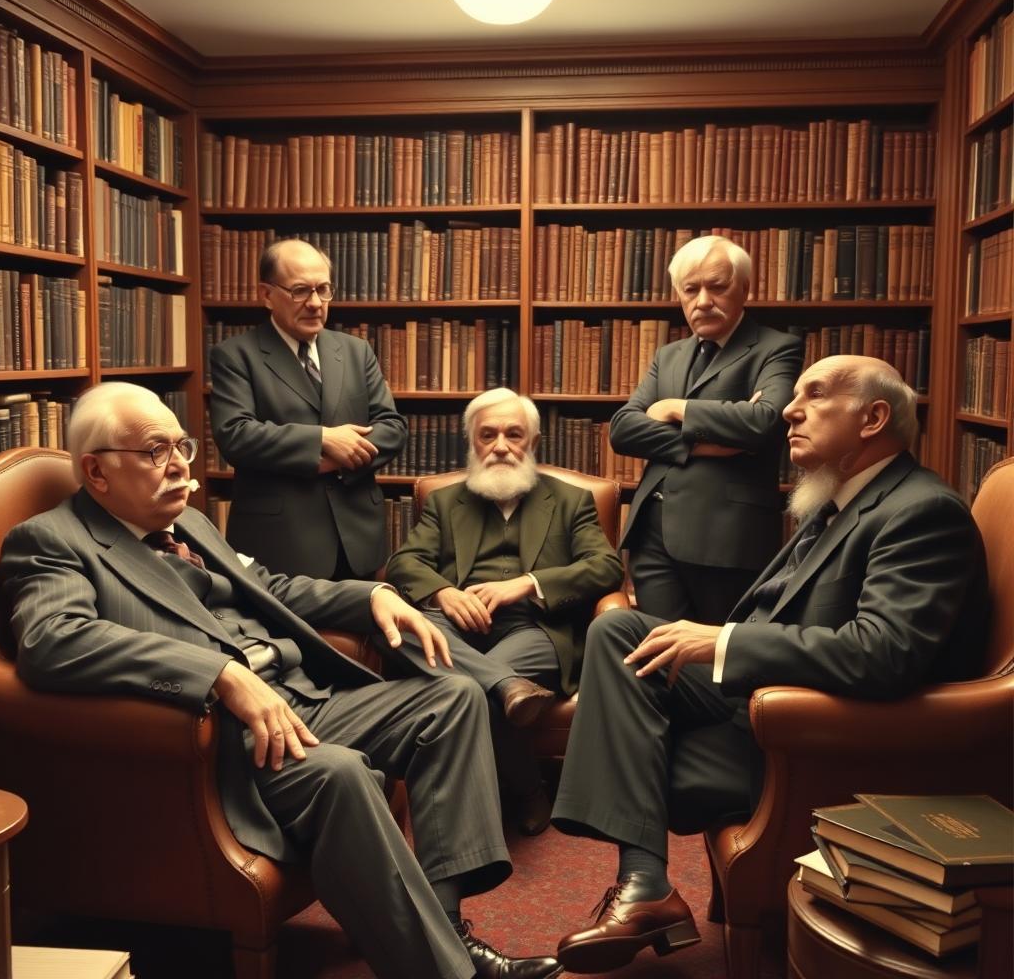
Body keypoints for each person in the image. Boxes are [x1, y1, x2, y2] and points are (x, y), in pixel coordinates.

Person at [1, 382, 563, 979]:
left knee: (451, 698)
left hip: (302, 697)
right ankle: (449, 973)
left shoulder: (188, 521)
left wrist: (372, 595)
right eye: (156, 451)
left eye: (182, 445)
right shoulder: (52, 542)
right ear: (97, 470)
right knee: (341, 773)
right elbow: (52, 639)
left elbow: (269, 587)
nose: (179, 465)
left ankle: (445, 931)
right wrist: (217, 674)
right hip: (226, 736)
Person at [550, 356, 990, 974]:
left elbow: (884, 653)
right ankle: (647, 882)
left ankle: (646, 884)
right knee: (620, 630)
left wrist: (723, 643)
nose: (789, 408)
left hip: (820, 738)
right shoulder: (843, 500)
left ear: (874, 418)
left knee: (630, 745)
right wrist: (724, 645)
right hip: (766, 698)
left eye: (814, 395)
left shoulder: (922, 512)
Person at [384, 388, 624, 833]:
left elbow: (606, 567)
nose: (500, 446)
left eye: (514, 434)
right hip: (454, 624)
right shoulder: (444, 500)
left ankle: (525, 790)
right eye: (487, 434)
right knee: (399, 630)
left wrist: (527, 584)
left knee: (470, 690)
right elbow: (404, 562)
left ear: (532, 442)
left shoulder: (571, 501)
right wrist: (442, 593)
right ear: (472, 442)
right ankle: (508, 691)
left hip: (535, 628)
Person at [610, 235, 803, 623]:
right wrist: (700, 446)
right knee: (658, 658)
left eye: (717, 287)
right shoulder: (668, 355)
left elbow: (764, 421)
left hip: (727, 538)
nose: (702, 301)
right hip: (652, 536)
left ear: (745, 289)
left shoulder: (777, 347)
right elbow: (624, 429)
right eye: (690, 289)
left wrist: (675, 408)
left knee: (713, 662)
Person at [209, 238, 406, 580]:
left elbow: (392, 427)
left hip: (356, 540)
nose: (315, 303)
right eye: (300, 291)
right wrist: (323, 441)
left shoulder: (356, 351)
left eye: (323, 289)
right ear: (266, 294)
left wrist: (338, 459)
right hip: (279, 545)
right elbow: (235, 435)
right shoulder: (235, 355)